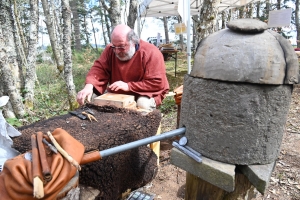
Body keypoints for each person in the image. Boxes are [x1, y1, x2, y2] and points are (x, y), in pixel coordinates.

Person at [76, 24, 169, 110]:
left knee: (142, 104)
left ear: (133, 41)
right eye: (114, 46)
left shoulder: (151, 52)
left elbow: (157, 83)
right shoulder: (110, 50)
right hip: (119, 91)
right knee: (91, 98)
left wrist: (128, 86)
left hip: (145, 92)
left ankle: (144, 127)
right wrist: (89, 86)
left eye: (121, 47)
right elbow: (99, 68)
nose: (116, 51)